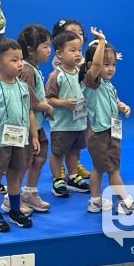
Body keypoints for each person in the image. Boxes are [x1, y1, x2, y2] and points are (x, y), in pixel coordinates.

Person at [80, 28, 134, 214]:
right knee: (113, 170)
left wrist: (121, 105)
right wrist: (101, 41)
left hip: (109, 132)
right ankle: (125, 203)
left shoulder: (107, 85)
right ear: (91, 66)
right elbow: (96, 64)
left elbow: (111, 100)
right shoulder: (90, 82)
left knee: (98, 168)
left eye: (113, 64)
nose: (111, 68)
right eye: (106, 64)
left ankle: (95, 201)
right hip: (100, 135)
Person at [0, 38, 39, 233]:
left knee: (15, 175)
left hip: (20, 141)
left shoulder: (23, 86)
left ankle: (14, 210)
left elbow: (30, 112)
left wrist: (34, 136)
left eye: (21, 59)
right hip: (0, 142)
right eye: (14, 60)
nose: (20, 64)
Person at [45, 30, 90, 197]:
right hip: (62, 125)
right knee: (58, 153)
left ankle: (73, 177)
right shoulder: (56, 76)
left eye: (79, 50)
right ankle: (58, 179)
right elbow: (48, 99)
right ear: (59, 54)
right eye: (72, 50)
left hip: (78, 122)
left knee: (73, 151)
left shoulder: (81, 73)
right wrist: (63, 103)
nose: (77, 54)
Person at [16, 24, 54, 214]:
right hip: (26, 128)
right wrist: (46, 106)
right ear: (30, 50)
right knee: (23, 163)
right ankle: (12, 198)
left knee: (38, 158)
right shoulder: (27, 71)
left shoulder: (35, 69)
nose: (49, 50)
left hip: (37, 126)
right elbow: (27, 99)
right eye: (45, 46)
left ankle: (29, 192)